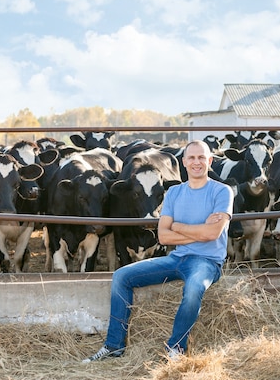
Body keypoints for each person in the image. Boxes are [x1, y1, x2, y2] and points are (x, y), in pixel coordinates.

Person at [82, 140, 234, 362]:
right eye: (191, 158)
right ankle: (113, 345)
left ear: (210, 161)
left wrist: (179, 227)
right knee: (122, 276)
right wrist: (200, 229)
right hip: (176, 258)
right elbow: (163, 236)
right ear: (184, 162)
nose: (196, 162)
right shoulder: (173, 193)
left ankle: (175, 349)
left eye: (202, 157)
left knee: (193, 289)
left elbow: (212, 235)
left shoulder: (222, 191)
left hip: (207, 262)